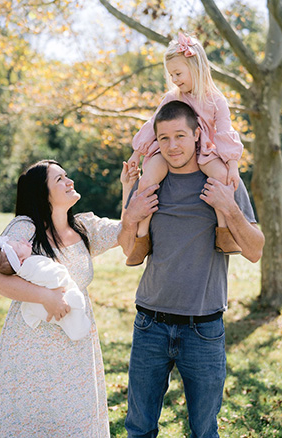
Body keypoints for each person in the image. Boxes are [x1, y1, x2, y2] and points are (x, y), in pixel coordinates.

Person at [119, 100, 265, 438]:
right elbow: (129, 250)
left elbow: (255, 251)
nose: (173, 146)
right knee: (139, 428)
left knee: (203, 430)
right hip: (150, 324)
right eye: (164, 138)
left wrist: (229, 208)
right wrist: (130, 213)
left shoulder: (224, 181)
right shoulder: (150, 184)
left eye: (181, 136)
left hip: (204, 328)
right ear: (156, 141)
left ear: (198, 135)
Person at [0, 159, 154, 438]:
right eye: (59, 179)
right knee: (34, 422)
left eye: (67, 176)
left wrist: (127, 188)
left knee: (78, 422)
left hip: (76, 344)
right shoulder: (25, 228)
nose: (69, 181)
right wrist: (45, 296)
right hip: (31, 345)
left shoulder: (84, 228)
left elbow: (127, 238)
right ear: (43, 194)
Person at [126, 32, 244, 266]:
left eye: (178, 73)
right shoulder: (172, 97)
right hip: (170, 149)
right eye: (171, 75)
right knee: (148, 180)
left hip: (206, 150)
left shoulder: (216, 101)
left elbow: (224, 132)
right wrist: (137, 152)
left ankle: (223, 232)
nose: (175, 79)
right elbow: (153, 124)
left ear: (196, 67)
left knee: (221, 177)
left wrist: (232, 165)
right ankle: (142, 237)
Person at [0, 235, 91, 341]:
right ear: (21, 261)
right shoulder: (31, 264)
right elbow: (51, 273)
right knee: (74, 300)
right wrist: (58, 285)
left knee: (65, 318)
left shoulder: (22, 271)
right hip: (53, 302)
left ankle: (73, 329)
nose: (22, 242)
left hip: (38, 310)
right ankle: (77, 329)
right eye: (19, 246)